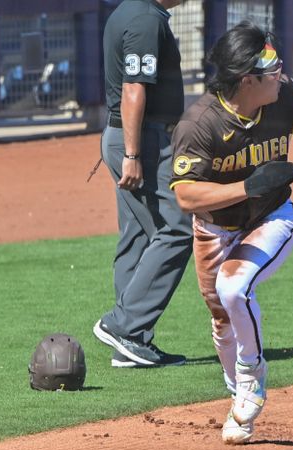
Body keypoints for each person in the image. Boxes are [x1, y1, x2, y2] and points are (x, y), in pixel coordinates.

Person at [169, 21, 293, 444]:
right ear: (246, 79)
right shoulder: (199, 125)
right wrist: (243, 186)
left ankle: (251, 376)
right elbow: (185, 195)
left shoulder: (282, 95)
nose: (281, 74)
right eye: (271, 69)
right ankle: (239, 396)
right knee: (221, 322)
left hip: (271, 218)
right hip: (214, 230)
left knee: (233, 288)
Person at [93, 0, 193, 368]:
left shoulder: (131, 11)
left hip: (128, 136)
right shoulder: (145, 18)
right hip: (141, 141)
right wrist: (133, 155)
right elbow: (134, 87)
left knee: (136, 234)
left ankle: (131, 343)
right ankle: (123, 325)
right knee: (178, 229)